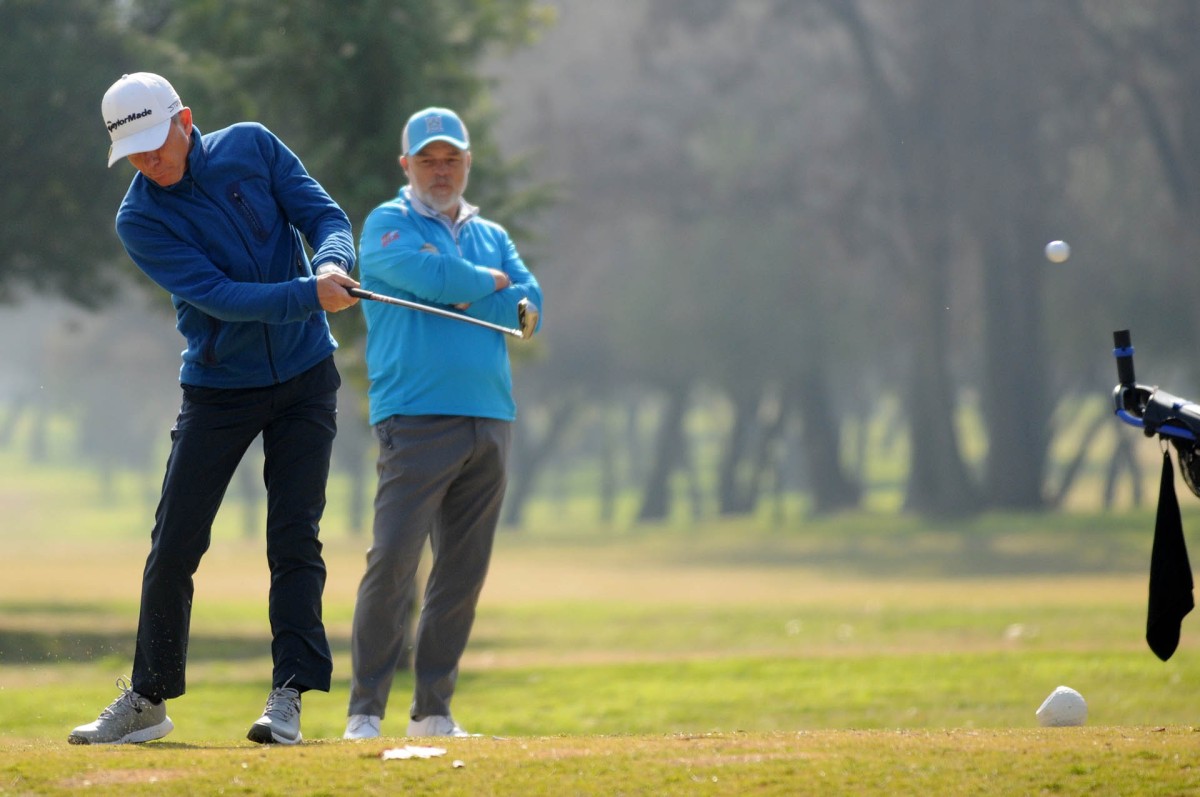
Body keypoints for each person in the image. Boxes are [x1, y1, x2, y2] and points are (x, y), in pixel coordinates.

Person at [69, 72, 360, 746]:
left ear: (185, 120)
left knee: (294, 537)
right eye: (133, 152)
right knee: (174, 543)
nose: (148, 161)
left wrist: (331, 262)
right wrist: (309, 294)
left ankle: (288, 696)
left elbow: (325, 217)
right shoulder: (139, 219)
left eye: (154, 142)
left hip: (306, 375)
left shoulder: (252, 146)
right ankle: (148, 700)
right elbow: (221, 295)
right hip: (219, 385)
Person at [343, 107, 542, 740]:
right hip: (415, 416)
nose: (440, 170)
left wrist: (466, 285)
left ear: (467, 163)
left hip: (491, 417)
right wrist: (484, 283)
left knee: (461, 573)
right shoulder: (387, 224)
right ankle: (365, 713)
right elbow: (428, 277)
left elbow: (530, 307)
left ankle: (433, 712)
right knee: (394, 563)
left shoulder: (493, 234)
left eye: (451, 159)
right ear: (406, 165)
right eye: (427, 160)